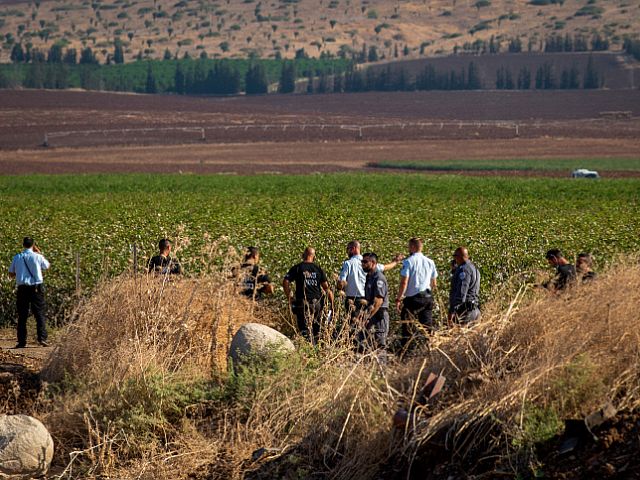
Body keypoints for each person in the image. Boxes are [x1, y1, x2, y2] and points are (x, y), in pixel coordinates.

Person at [337, 240, 403, 321]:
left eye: (348, 249)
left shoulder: (348, 263)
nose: (347, 252)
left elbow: (341, 282)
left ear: (353, 248)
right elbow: (385, 267)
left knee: (353, 326)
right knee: (365, 324)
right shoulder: (369, 262)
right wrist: (396, 262)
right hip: (367, 300)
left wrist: (339, 288)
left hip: (353, 300)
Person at [283, 247, 334, 343]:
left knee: (304, 330)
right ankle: (316, 350)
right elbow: (327, 288)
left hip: (302, 303)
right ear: (313, 256)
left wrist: (289, 297)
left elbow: (286, 281)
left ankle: (307, 349)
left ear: (304, 255)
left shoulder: (298, 268)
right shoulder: (318, 269)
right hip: (316, 304)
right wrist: (332, 305)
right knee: (316, 329)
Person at [395, 237, 438, 348]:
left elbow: (404, 282)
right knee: (428, 328)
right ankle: (431, 349)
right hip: (427, 296)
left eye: (409, 246)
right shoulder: (430, 262)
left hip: (413, 299)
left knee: (407, 328)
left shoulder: (408, 261)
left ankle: (407, 352)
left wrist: (399, 298)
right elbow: (434, 283)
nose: (408, 248)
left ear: (413, 247)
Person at [8, 237, 50, 348]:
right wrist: (39, 253)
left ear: (23, 245)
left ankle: (21, 341)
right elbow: (46, 266)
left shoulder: (17, 257)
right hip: (36, 288)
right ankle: (42, 339)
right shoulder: (38, 256)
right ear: (33, 245)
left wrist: (20, 273)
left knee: (22, 315)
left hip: (22, 288)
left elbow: (11, 274)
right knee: (39, 313)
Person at [358, 253, 390, 354]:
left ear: (373, 263)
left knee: (379, 345)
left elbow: (378, 301)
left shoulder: (378, 278)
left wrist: (368, 317)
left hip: (379, 314)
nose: (363, 264)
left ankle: (381, 369)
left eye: (365, 262)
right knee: (363, 342)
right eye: (362, 262)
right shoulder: (369, 276)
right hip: (370, 313)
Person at [448, 247, 481, 325]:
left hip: (465, 312)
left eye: (455, 257)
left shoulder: (464, 270)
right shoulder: (474, 268)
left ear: (459, 256)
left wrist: (452, 310)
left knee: (460, 337)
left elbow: (461, 292)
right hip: (475, 310)